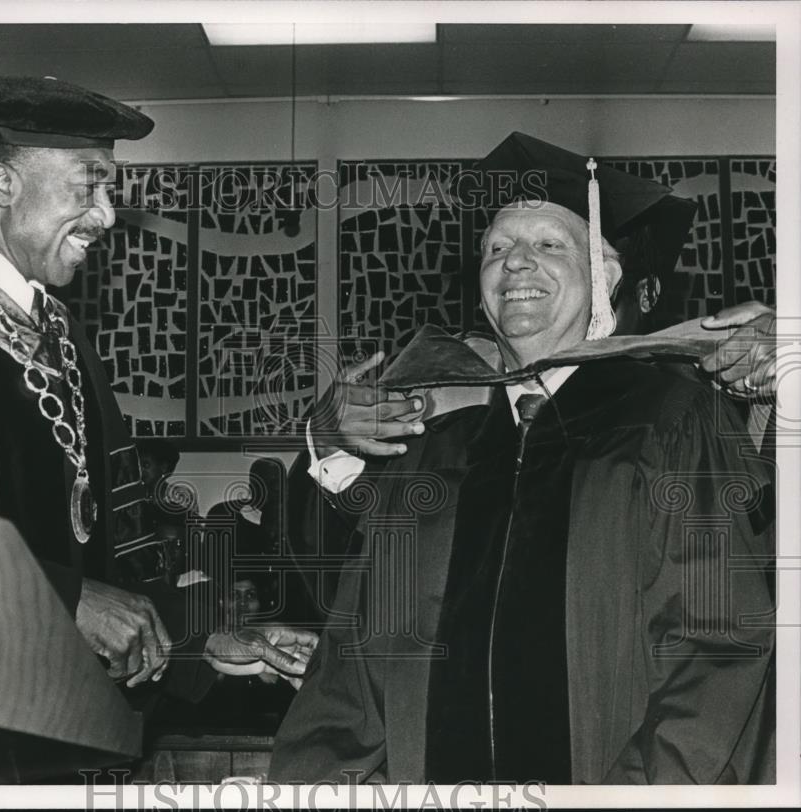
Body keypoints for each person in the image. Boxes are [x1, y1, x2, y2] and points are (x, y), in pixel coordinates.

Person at [269, 132, 775, 784]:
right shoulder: (440, 450)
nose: (515, 264)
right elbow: (356, 659)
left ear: (605, 282)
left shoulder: (671, 421)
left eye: (549, 245)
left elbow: (718, 646)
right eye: (498, 248)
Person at [0, 75, 316, 702]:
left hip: (67, 721)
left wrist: (207, 643)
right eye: (90, 184)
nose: (108, 215)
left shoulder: (62, 333)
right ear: (4, 183)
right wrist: (65, 598)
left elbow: (114, 569)